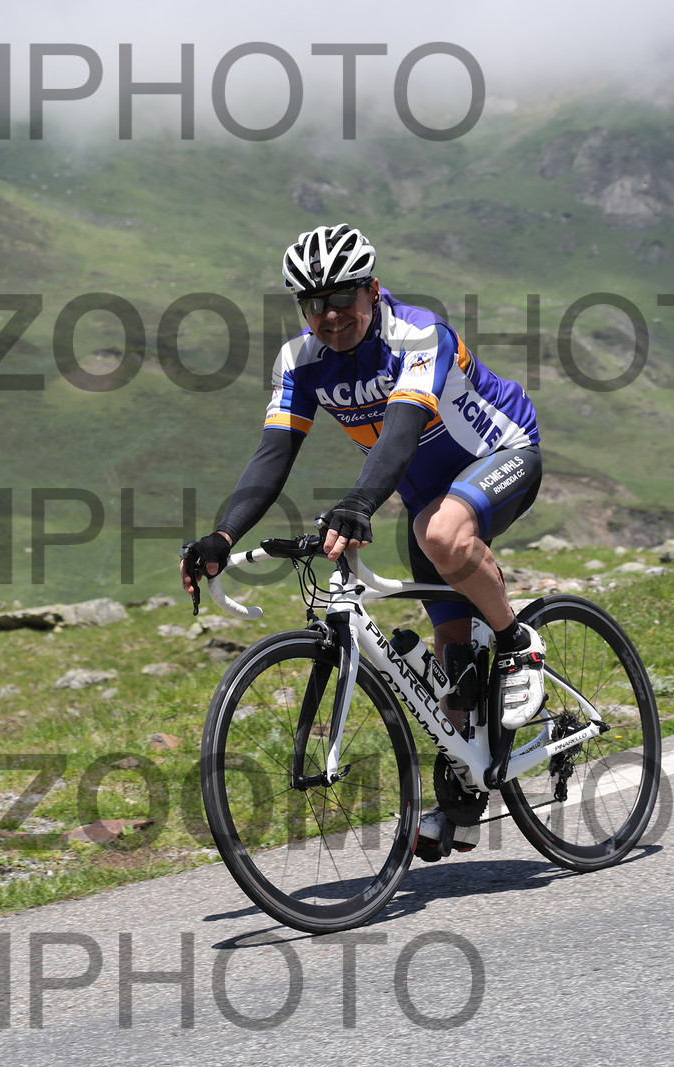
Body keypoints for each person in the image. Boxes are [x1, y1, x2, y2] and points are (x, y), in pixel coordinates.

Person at [180, 223, 545, 857]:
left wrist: (357, 504)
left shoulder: (420, 335)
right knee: (451, 658)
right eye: (314, 304)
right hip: (425, 492)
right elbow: (274, 453)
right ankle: (466, 793)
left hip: (504, 453)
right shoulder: (299, 361)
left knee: (440, 534)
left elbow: (402, 430)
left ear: (372, 290)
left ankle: (518, 644)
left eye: (342, 298)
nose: (330, 316)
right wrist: (222, 533)